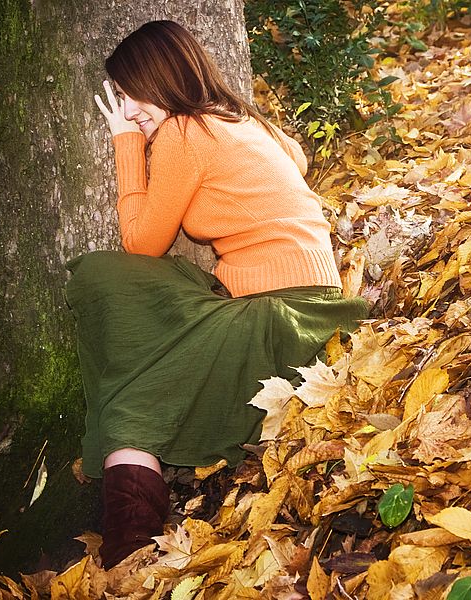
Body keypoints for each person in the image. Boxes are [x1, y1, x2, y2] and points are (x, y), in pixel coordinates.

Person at [65, 19, 369, 570]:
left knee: (113, 304)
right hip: (311, 301)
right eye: (124, 101)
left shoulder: (183, 132)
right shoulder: (247, 122)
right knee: (148, 296)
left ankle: (129, 551)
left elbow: (142, 242)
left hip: (279, 313)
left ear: (164, 80)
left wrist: (126, 144)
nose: (130, 109)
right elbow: (294, 163)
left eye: (134, 94)